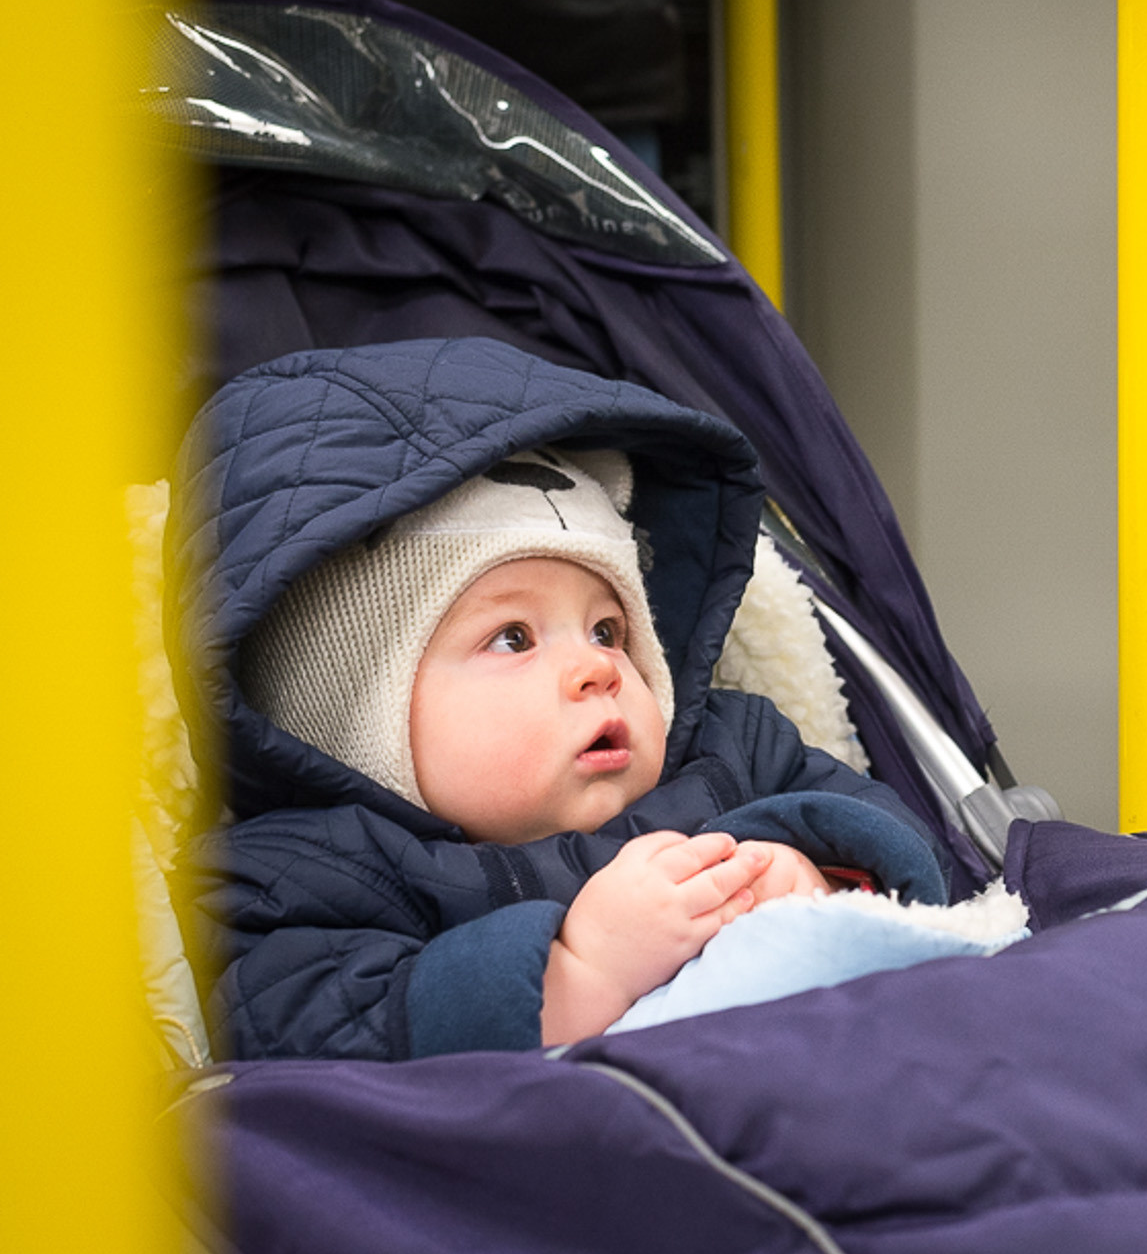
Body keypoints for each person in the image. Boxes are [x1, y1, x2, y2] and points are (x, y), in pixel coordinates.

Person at [174, 336, 950, 1060]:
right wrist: (581, 974)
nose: (599, 668)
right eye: (513, 637)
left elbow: (896, 835)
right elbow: (298, 1028)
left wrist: (812, 872)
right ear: (351, 717)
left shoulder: (733, 749)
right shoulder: (307, 874)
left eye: (609, 630)